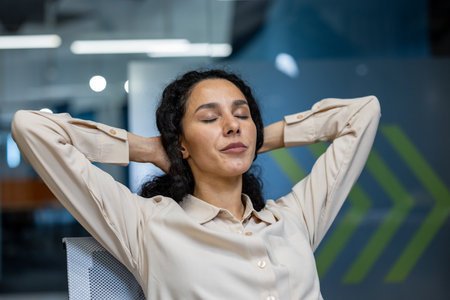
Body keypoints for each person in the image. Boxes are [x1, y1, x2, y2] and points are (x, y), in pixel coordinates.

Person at [11, 69, 380, 299]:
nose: (232, 124)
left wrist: (257, 140)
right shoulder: (148, 226)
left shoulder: (295, 219)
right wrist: (149, 149)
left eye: (241, 115)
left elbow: (362, 114)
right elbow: (31, 128)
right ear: (182, 142)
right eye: (209, 118)